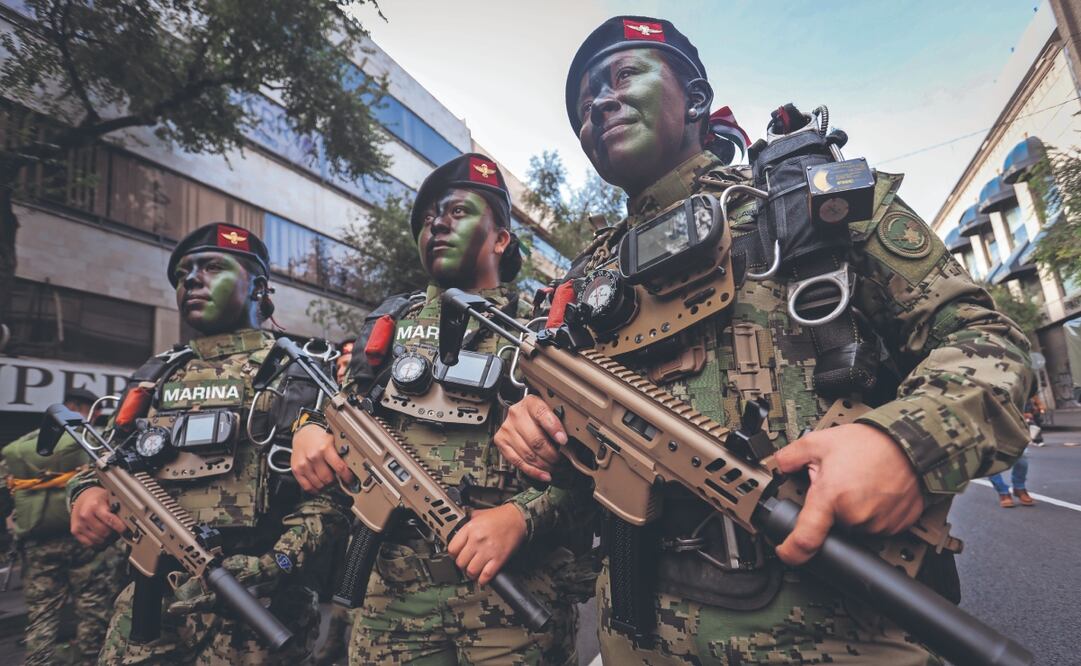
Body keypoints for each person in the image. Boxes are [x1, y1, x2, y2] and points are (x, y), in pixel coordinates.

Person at [492, 16, 1034, 665]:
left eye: (622, 76)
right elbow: (582, 479)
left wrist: (904, 442)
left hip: (839, 633)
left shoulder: (810, 206)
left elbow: (989, 342)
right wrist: (538, 430)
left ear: (694, 98)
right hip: (632, 639)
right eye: (582, 104)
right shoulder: (587, 285)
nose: (598, 103)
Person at [290, 153, 592, 665]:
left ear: (501, 238)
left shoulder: (546, 329)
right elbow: (340, 413)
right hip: (393, 601)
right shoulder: (387, 327)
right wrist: (309, 431)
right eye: (430, 216)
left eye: (457, 211)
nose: (438, 223)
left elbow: (595, 466)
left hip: (515, 602)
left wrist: (521, 517)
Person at [67, 222, 347, 664]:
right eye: (182, 274)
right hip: (149, 598)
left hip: (257, 610)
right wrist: (87, 493)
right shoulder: (157, 374)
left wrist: (278, 563)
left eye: (212, 267)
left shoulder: (299, 370)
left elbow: (337, 493)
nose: (191, 279)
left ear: (258, 286)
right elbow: (105, 460)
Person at [0, 387, 122, 666]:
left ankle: (38, 660)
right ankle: (89, 660)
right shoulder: (95, 440)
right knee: (93, 610)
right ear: (85, 407)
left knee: (42, 614)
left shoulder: (24, 446)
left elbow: (4, 491)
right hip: (88, 544)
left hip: (39, 543)